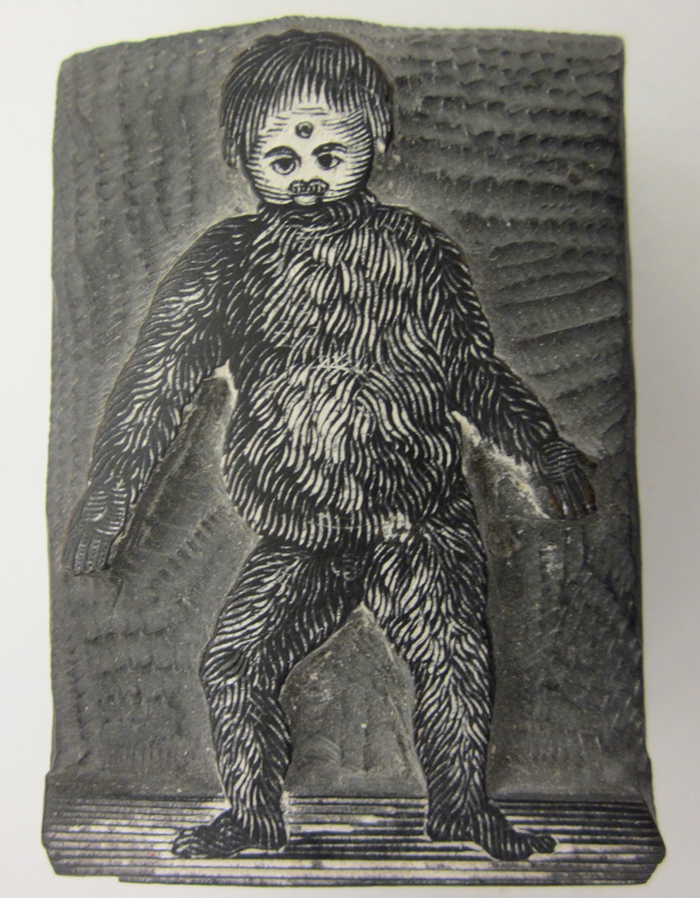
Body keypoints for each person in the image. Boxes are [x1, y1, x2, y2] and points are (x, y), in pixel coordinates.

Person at [64, 29, 595, 860]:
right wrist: (111, 501)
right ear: (241, 157)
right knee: (234, 665)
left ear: (377, 140)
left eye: (328, 152)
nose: (306, 175)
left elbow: (471, 371)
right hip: (303, 532)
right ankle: (252, 815)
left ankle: (460, 808)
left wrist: (545, 451)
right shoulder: (228, 260)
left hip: (421, 522)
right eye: (280, 158)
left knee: (454, 660)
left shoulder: (415, 248)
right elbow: (157, 382)